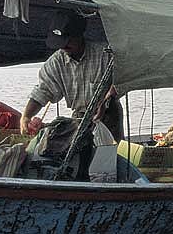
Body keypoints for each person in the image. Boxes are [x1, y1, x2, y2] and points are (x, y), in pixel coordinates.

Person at [20, 11, 124, 141]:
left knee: (110, 153)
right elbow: (43, 91)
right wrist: (26, 116)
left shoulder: (106, 54)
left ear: (79, 36)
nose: (63, 46)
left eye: (68, 41)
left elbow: (123, 80)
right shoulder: (56, 62)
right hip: (79, 116)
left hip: (108, 114)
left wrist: (105, 101)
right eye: (60, 42)